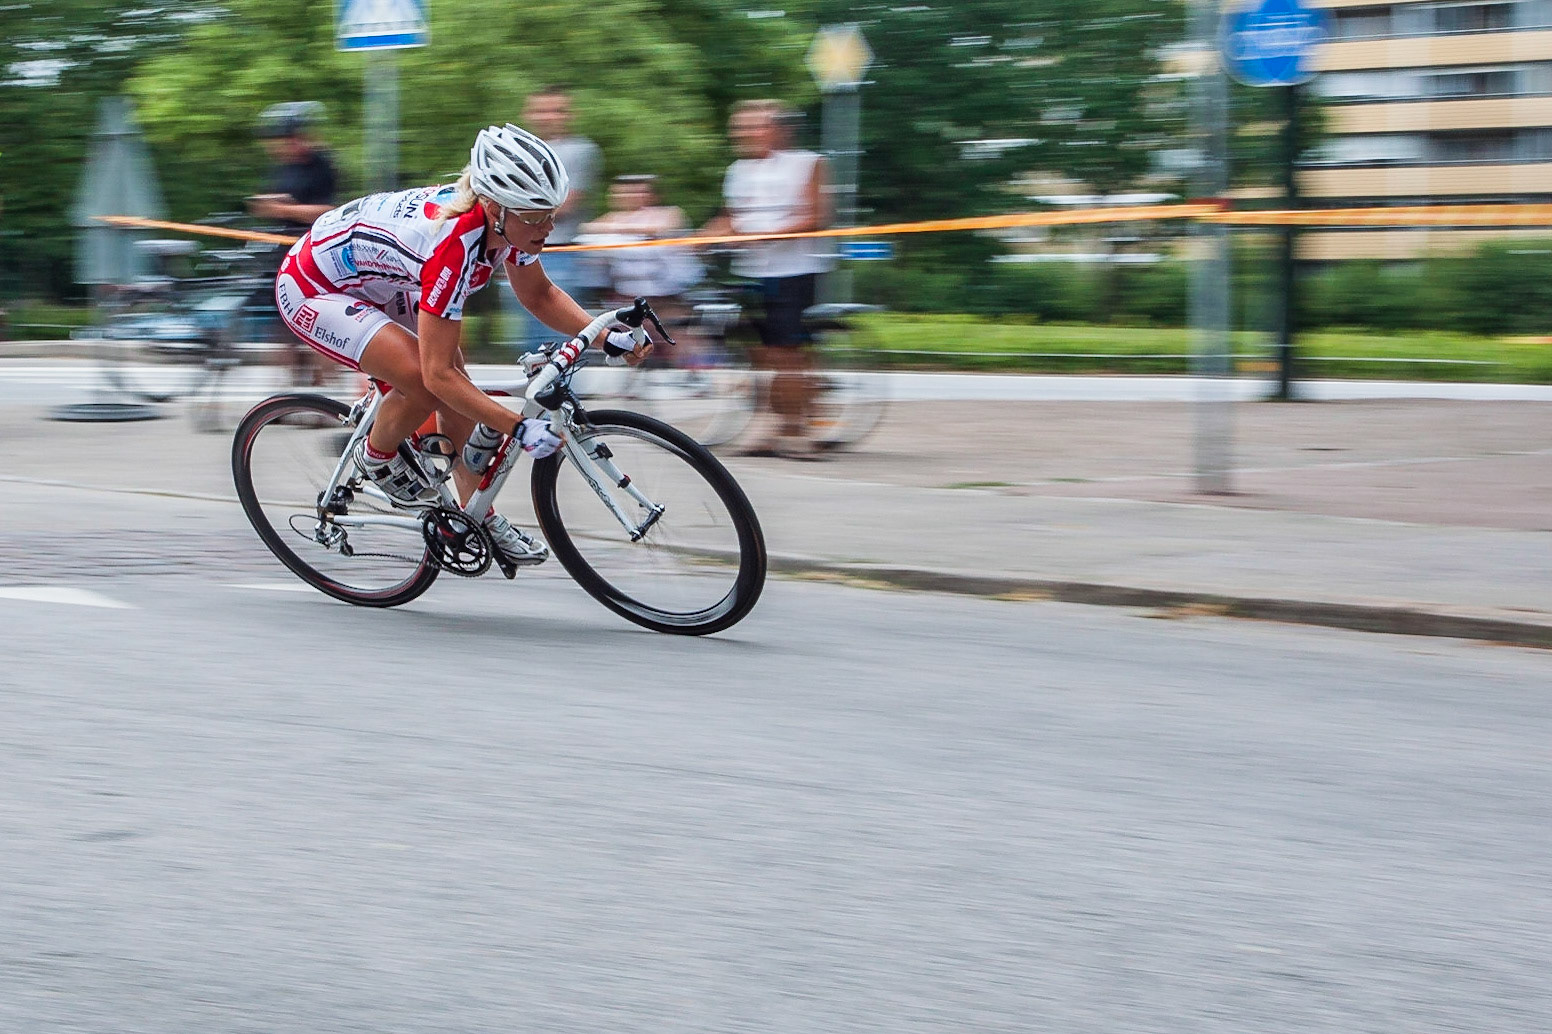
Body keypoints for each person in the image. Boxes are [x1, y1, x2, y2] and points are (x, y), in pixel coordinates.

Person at [273, 123, 653, 567]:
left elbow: (539, 295)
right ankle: (376, 457)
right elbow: (437, 376)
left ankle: (472, 516)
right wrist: (518, 428)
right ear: (494, 206)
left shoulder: (512, 224)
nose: (548, 227)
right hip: (314, 286)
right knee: (428, 382)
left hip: (382, 280)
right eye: (536, 217)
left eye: (551, 213)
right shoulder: (454, 247)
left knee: (460, 392)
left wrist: (605, 338)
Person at [703, 99, 833, 458]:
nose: (743, 134)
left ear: (777, 129)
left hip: (794, 271)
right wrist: (702, 237)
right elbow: (732, 217)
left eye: (752, 126)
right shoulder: (737, 170)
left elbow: (817, 217)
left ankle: (796, 429)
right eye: (739, 128)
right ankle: (776, 423)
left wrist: (766, 235)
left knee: (787, 355)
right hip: (751, 272)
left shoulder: (809, 163)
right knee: (761, 355)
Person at [247, 102, 339, 386]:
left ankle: (322, 390)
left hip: (315, 251)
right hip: (283, 251)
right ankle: (288, 391)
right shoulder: (283, 168)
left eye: (290, 139)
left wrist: (284, 209)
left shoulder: (322, 165)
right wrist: (266, 205)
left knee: (318, 320)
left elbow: (328, 210)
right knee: (282, 322)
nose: (285, 147)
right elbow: (275, 201)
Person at [503, 86, 602, 353]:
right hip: (519, 252)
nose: (548, 117)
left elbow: (566, 203)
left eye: (556, 110)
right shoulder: (518, 151)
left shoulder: (579, 151)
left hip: (560, 252)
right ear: (529, 114)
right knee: (530, 342)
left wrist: (518, 214)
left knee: (559, 337)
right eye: (541, 110)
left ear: (569, 114)